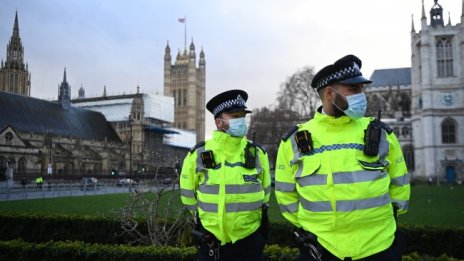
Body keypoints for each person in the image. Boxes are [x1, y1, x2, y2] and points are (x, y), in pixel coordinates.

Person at [275, 55, 411, 260]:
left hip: (379, 247)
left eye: (362, 89)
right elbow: (285, 195)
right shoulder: (294, 141)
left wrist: (381, 223)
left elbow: (400, 186)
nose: (362, 95)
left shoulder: (382, 134)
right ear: (330, 94)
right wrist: (312, 228)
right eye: (354, 90)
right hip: (321, 250)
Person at [180, 89, 271, 261]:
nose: (241, 120)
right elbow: (187, 196)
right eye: (234, 115)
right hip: (211, 242)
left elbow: (265, 196)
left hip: (249, 243)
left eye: (242, 115)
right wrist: (206, 224)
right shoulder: (198, 154)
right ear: (219, 122)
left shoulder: (258, 153)